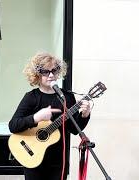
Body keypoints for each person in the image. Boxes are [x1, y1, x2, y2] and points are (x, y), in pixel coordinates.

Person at [8, 52, 91, 180]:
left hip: (58, 162)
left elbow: (75, 129)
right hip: (33, 159)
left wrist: (85, 115)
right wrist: (37, 117)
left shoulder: (67, 97)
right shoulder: (31, 97)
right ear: (37, 74)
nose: (51, 75)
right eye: (46, 72)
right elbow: (13, 126)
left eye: (54, 70)